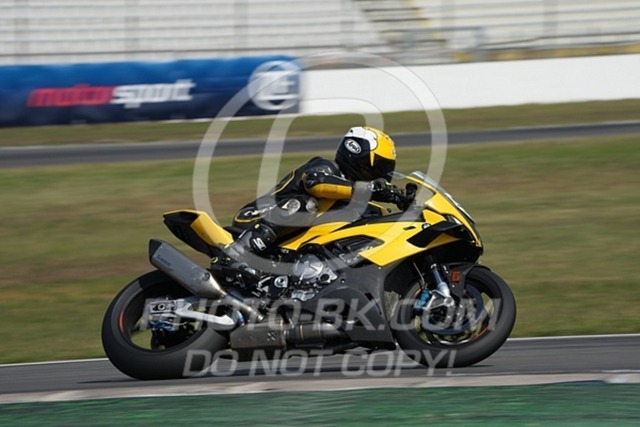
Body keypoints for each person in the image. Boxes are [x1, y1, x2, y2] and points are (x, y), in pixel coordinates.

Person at [224, 126, 402, 261]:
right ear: (360, 155)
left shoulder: (354, 195)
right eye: (381, 166)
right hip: (255, 217)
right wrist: (369, 189)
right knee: (306, 205)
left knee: (373, 214)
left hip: (288, 241)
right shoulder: (326, 168)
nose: (383, 174)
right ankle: (237, 253)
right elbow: (315, 183)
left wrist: (401, 199)